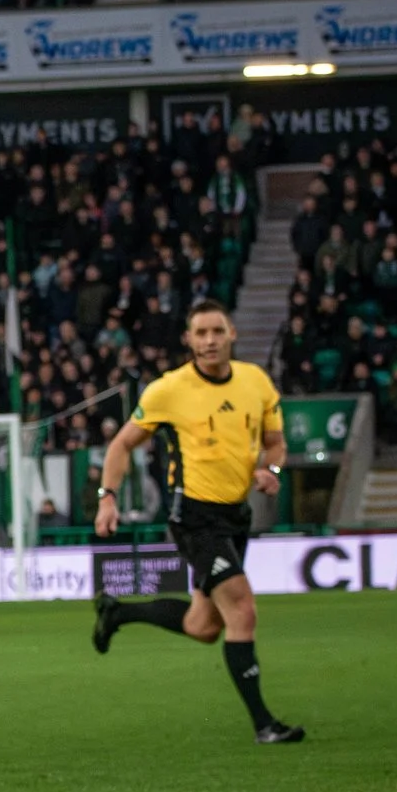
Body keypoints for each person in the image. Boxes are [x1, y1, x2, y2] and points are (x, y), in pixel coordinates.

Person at [90, 299, 303, 743]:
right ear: (187, 339)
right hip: (193, 518)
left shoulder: (255, 382)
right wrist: (106, 498)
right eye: (200, 333)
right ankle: (265, 725)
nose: (209, 341)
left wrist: (272, 471)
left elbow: (276, 443)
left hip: (235, 516)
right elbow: (121, 445)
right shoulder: (168, 390)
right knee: (242, 608)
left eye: (217, 332)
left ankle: (118, 613)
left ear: (232, 335)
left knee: (203, 627)